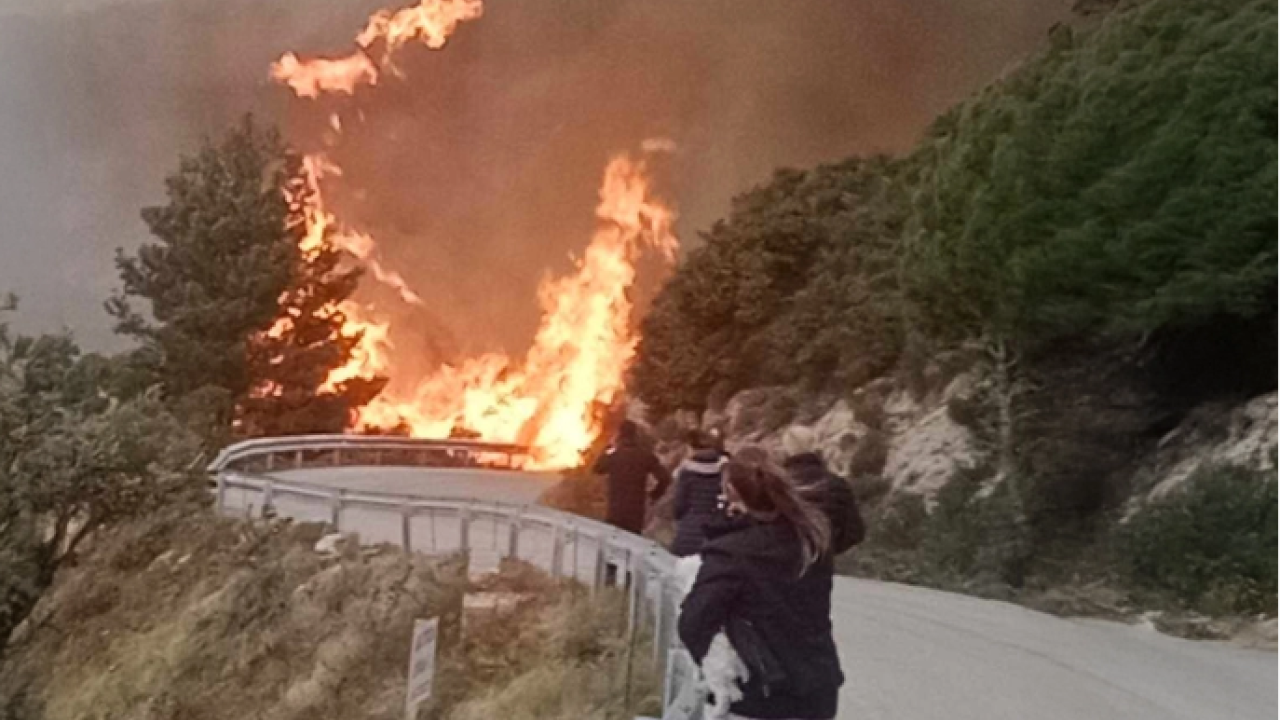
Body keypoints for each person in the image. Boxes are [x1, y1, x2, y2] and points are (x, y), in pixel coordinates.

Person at [679, 446, 843, 720]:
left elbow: (694, 622)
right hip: (818, 690)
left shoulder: (730, 553)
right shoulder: (812, 539)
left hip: (760, 694)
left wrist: (716, 671)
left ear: (731, 492)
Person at [592, 420, 672, 583]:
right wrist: (655, 494)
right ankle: (630, 585)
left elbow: (597, 468)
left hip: (615, 510)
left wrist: (608, 447)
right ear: (635, 435)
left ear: (619, 435)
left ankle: (610, 582)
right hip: (636, 510)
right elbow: (665, 477)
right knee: (633, 547)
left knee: (612, 547)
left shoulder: (614, 455)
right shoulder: (645, 456)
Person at [780, 426, 865, 557]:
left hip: (783, 563)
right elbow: (855, 532)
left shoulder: (777, 484)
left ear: (786, 450)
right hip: (821, 566)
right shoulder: (837, 484)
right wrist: (827, 549)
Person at [671, 430, 729, 557]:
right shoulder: (723, 470)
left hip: (688, 532)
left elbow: (679, 506)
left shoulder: (686, 472)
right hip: (713, 533)